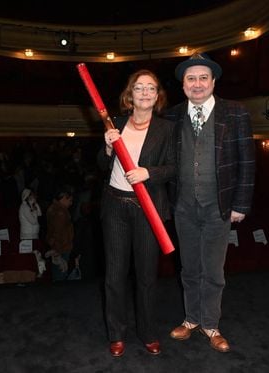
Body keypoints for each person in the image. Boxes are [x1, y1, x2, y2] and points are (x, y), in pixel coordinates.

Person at [165, 53, 256, 353]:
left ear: (213, 81)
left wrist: (241, 204)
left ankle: (211, 325)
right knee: (189, 268)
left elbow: (247, 161)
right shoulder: (172, 115)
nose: (198, 83)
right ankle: (191, 320)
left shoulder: (236, 113)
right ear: (183, 85)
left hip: (220, 206)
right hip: (183, 206)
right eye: (191, 78)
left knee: (214, 271)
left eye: (203, 77)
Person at [98, 69, 176, 357]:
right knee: (115, 275)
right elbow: (100, 164)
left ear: (157, 96)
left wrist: (148, 173)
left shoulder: (166, 129)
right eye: (139, 88)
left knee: (146, 277)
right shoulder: (115, 124)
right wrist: (107, 149)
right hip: (115, 206)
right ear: (129, 95)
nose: (145, 92)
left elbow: (173, 167)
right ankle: (116, 333)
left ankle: (147, 332)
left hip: (148, 209)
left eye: (151, 88)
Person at [44, 186, 74, 281]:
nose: (71, 203)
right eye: (70, 200)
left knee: (58, 275)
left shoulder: (55, 209)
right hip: (61, 249)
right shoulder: (60, 212)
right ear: (64, 198)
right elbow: (57, 233)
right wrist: (58, 253)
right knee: (60, 277)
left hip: (59, 247)